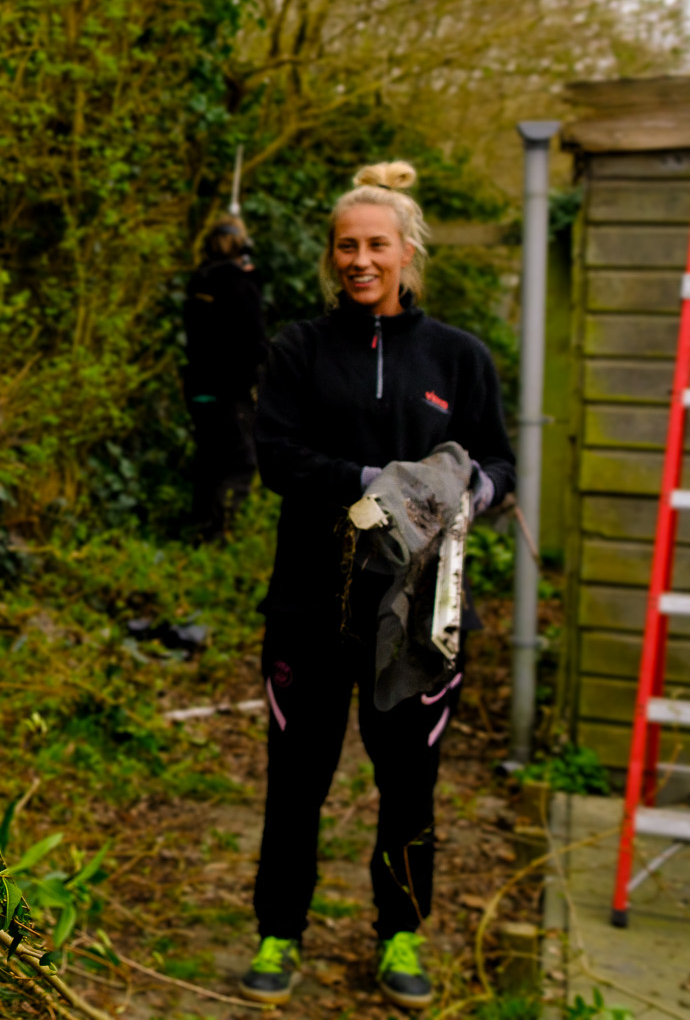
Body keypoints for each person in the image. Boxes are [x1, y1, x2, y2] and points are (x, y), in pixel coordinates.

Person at [237, 161, 514, 1010]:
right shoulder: (298, 349)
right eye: (346, 246)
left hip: (423, 617)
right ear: (332, 255)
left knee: (409, 785)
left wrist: (471, 490)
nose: (361, 260)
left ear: (407, 251)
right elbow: (277, 457)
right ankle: (280, 929)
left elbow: (499, 459)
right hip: (310, 607)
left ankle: (401, 930)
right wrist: (375, 484)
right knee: (297, 781)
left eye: (377, 245)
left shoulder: (458, 356)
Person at [183, 215, 266, 541]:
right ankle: (220, 531)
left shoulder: (200, 280)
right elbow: (253, 339)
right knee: (239, 459)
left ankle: (201, 526)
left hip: (199, 385)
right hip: (230, 388)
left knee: (209, 456)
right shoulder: (239, 283)